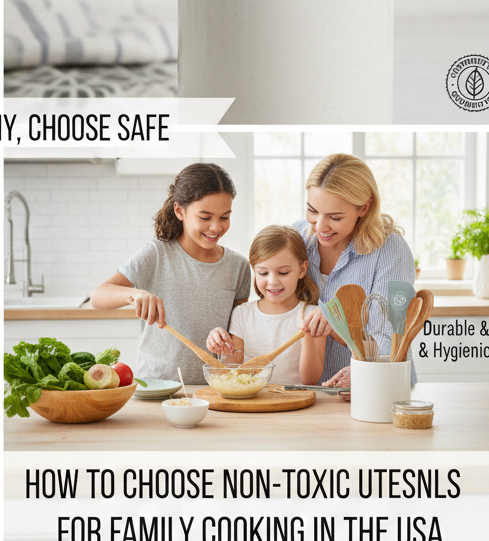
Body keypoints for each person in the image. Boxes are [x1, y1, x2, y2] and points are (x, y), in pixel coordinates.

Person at [90, 163, 251, 385]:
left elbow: (236, 339)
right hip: (157, 385)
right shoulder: (157, 254)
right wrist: (135, 295)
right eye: (205, 217)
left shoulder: (238, 267)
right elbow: (98, 296)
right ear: (179, 211)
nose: (216, 227)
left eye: (224, 217)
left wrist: (228, 349)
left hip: (212, 388)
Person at [296, 153, 415, 395]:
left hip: (377, 389)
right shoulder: (296, 239)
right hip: (309, 393)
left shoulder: (391, 250)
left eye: (335, 217)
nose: (320, 226)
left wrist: (364, 371)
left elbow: (391, 336)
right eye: (312, 210)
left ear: (364, 207)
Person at [206, 225, 324, 387]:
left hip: (294, 403)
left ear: (302, 269)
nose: (273, 281)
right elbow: (232, 369)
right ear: (254, 270)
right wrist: (221, 347)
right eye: (263, 273)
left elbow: (310, 380)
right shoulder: (242, 313)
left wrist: (308, 337)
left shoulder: (313, 316)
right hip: (253, 402)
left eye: (283, 273)